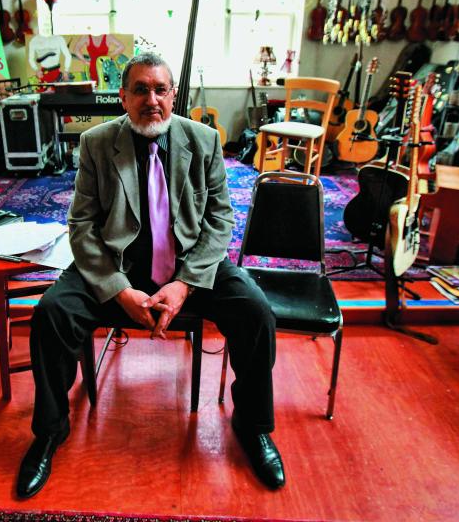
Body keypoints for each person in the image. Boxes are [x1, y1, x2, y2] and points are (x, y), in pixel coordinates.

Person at [16, 52, 283, 499]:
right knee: (52, 314)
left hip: (191, 270)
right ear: (123, 96)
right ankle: (49, 432)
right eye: (140, 89)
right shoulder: (97, 144)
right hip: (117, 268)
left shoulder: (204, 140)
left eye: (160, 89)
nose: (151, 100)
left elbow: (220, 220)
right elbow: (81, 226)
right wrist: (118, 292)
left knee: (256, 312)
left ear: (174, 95)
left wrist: (185, 284)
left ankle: (253, 425)